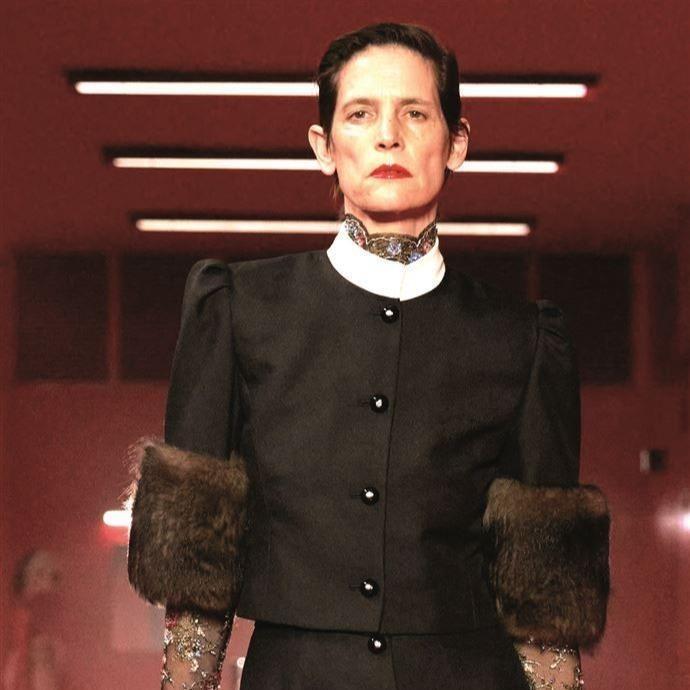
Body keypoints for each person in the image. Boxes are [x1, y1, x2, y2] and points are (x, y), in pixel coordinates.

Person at [125, 22, 610, 690]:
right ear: (323, 148)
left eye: (415, 113)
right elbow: (195, 577)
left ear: (457, 142)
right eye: (360, 114)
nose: (388, 136)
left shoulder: (522, 339)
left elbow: (543, 595)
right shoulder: (239, 309)